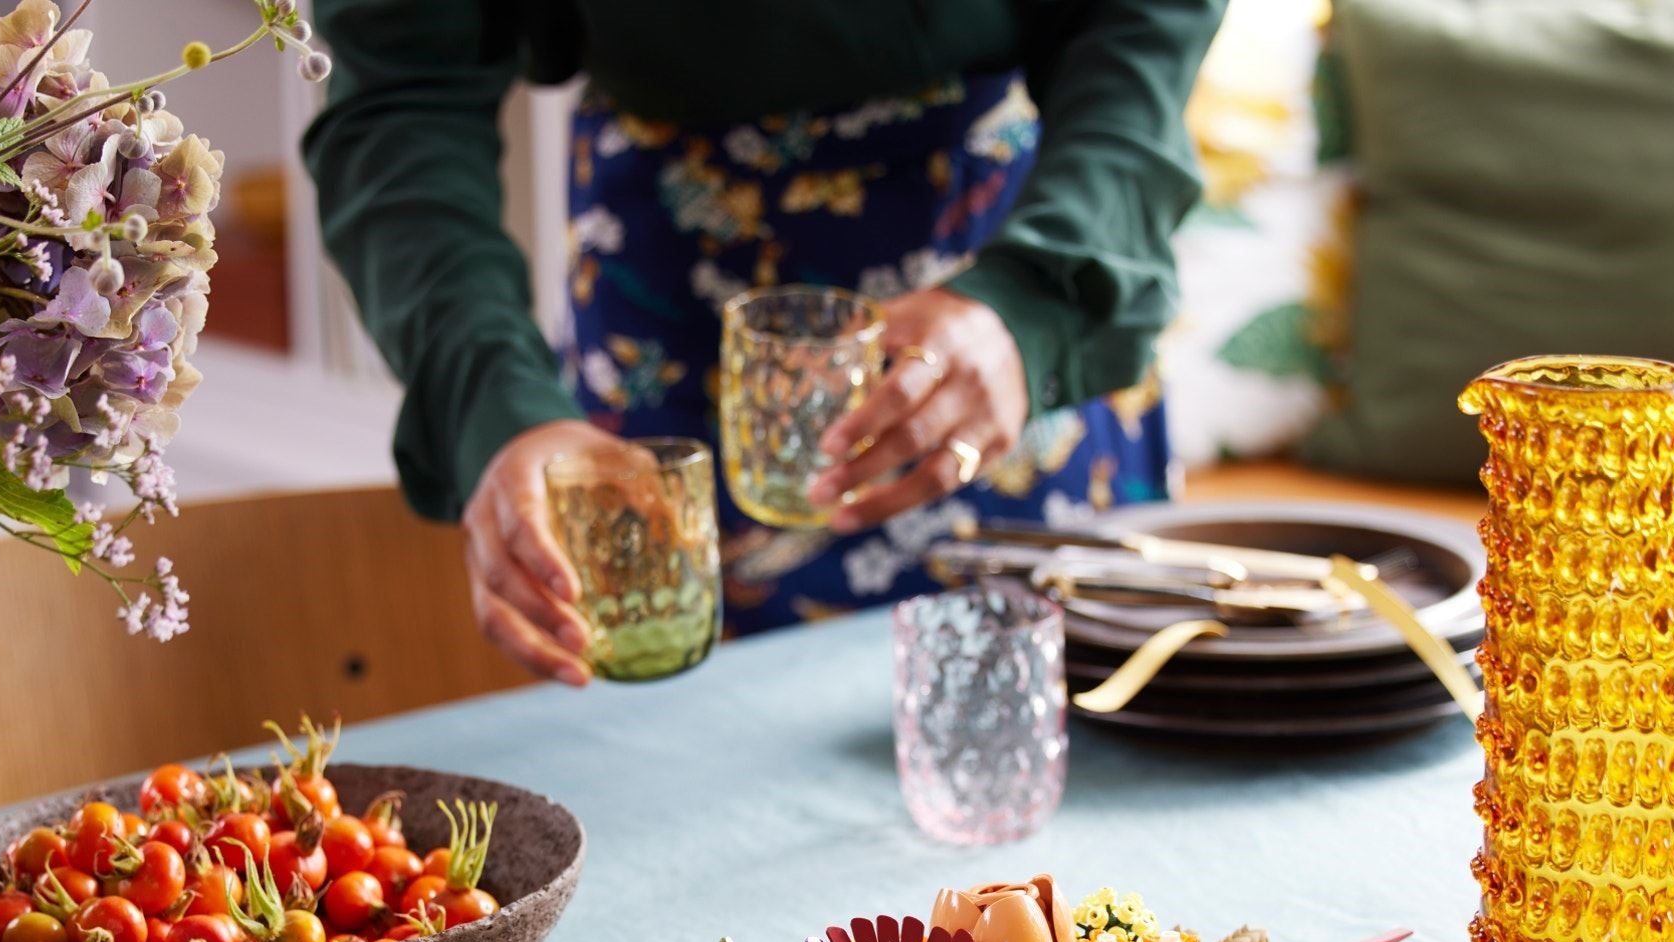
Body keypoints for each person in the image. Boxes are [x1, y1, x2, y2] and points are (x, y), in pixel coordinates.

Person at [303, 2, 1224, 684]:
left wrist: (1037, 298)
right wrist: (495, 407)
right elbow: (400, 92)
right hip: (667, 290)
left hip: (1009, 273)